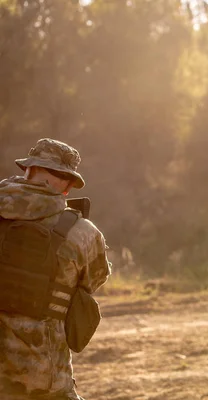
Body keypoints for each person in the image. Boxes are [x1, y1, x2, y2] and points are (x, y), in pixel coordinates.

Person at [0, 139, 111, 400]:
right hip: (43, 380)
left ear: (28, 170)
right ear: (69, 184)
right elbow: (95, 280)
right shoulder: (82, 233)